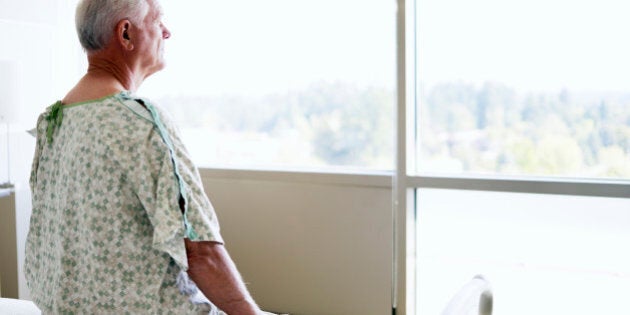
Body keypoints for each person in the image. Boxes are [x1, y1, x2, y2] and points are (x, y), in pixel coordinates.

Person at [24, 0, 271, 314]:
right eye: (159, 20)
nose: (166, 32)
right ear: (126, 33)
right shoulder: (138, 119)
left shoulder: (53, 122)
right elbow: (199, 251)